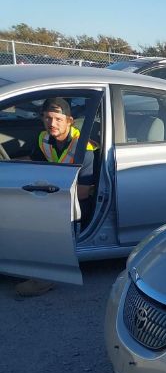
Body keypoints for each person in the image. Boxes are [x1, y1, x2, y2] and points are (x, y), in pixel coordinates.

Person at [15, 97, 98, 297]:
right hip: (56, 195)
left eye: (58, 119)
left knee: (41, 224)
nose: (52, 124)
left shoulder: (84, 148)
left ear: (69, 121)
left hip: (80, 203)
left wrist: (46, 195)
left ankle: (45, 279)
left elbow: (84, 192)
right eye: (47, 118)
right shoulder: (44, 138)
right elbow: (33, 160)